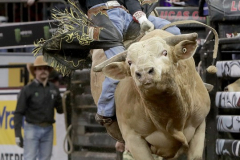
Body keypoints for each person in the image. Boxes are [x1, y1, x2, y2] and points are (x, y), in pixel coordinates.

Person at [78, 0, 181, 142]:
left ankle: (182, 79)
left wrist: (141, 17)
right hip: (102, 16)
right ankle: (105, 113)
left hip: (125, 13)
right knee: (119, 64)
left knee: (173, 32)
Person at [14, 55, 63, 160]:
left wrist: (65, 101)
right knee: (30, 157)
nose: (43, 71)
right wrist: (17, 134)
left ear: (49, 71)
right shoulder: (27, 89)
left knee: (46, 158)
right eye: (40, 68)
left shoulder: (54, 89)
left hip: (48, 128)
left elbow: (60, 110)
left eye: (45, 68)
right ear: (35, 71)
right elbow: (18, 113)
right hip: (32, 128)